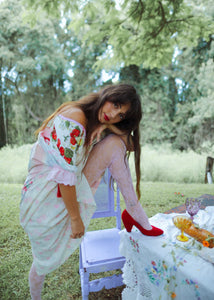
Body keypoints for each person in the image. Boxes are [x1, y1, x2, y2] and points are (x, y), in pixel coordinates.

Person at [20, 83, 163, 300]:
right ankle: (135, 212)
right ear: (107, 95)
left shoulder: (88, 118)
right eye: (115, 104)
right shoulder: (76, 118)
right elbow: (64, 177)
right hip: (46, 196)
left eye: (120, 115)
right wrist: (75, 218)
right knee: (41, 263)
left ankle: (135, 212)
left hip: (51, 188)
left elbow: (129, 144)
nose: (113, 114)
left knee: (116, 144)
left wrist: (109, 129)